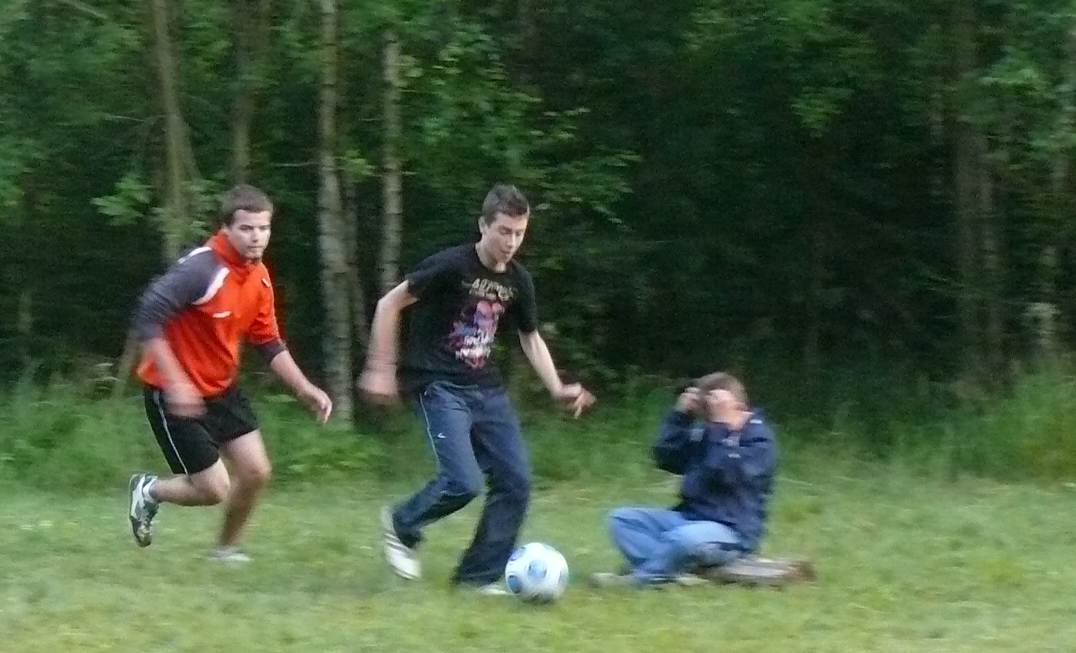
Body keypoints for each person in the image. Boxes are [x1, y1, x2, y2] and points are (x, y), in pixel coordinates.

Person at [359, 184, 594, 592]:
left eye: (519, 233)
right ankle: (402, 523)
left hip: (485, 388)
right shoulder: (451, 265)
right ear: (483, 226)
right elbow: (389, 303)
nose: (511, 242)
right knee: (463, 481)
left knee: (516, 482)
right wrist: (380, 367)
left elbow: (530, 337)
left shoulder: (518, 280)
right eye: (503, 231)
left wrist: (556, 387)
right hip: (438, 384)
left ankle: (477, 578)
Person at [126, 185, 333, 560]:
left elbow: (267, 341)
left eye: (263, 228)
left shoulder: (259, 275)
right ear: (226, 228)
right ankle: (149, 490)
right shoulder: (201, 270)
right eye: (246, 228)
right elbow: (147, 315)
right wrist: (176, 382)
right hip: (172, 391)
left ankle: (225, 550)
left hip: (221, 386)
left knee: (256, 472)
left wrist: (304, 388)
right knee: (213, 489)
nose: (256, 237)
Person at [593, 372, 776, 587]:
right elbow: (666, 457)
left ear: (735, 405)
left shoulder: (759, 440)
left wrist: (720, 428)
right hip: (688, 518)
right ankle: (674, 571)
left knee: (683, 538)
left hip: (732, 531)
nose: (708, 421)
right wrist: (681, 417)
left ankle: (643, 579)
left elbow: (723, 473)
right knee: (622, 520)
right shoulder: (710, 433)